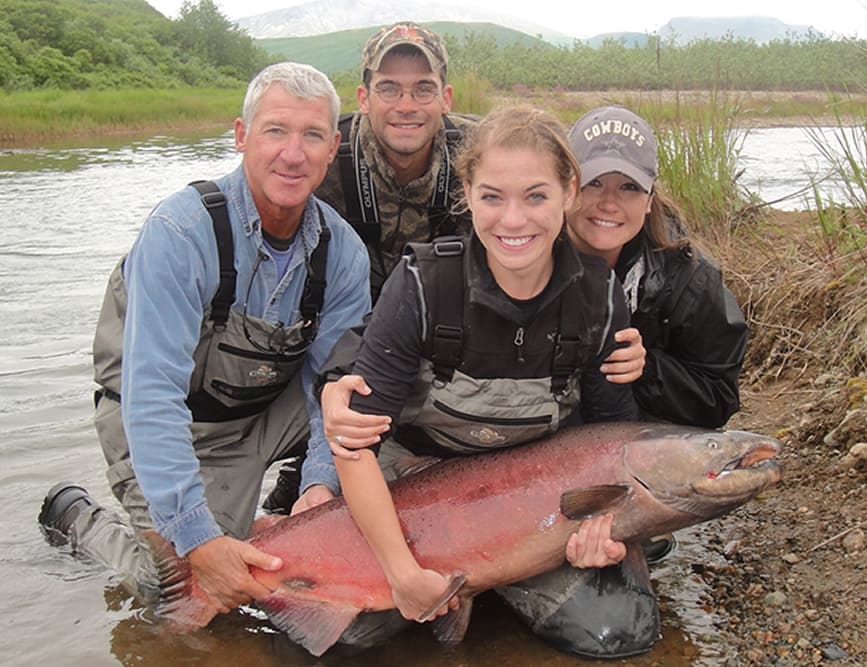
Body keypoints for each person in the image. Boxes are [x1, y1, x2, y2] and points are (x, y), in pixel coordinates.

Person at [319, 105, 660, 658]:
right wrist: (402, 574)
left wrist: (605, 531)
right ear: (468, 194)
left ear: (569, 193)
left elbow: (610, 443)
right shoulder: (422, 283)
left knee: (621, 631)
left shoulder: (599, 296)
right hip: (411, 488)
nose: (513, 220)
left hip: (531, 503)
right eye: (493, 197)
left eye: (536, 196)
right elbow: (356, 447)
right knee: (346, 639)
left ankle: (497, 584)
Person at [37, 62, 371, 614]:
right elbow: (152, 395)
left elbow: (331, 390)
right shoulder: (180, 232)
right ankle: (79, 518)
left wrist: (322, 487)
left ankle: (276, 509)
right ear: (241, 136)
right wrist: (197, 538)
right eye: (275, 130)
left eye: (312, 135)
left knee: (383, 409)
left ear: (332, 147)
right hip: (157, 418)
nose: (293, 154)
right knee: (186, 597)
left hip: (262, 413)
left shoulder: (344, 252)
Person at [263, 20, 478, 513]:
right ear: (363, 98)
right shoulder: (321, 153)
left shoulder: (481, 152)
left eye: (422, 89)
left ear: (445, 98)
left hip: (449, 338)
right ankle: (305, 467)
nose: (406, 105)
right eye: (389, 89)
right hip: (339, 340)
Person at [565, 105, 748, 430]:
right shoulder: (523, 255)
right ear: (566, 188)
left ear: (650, 198)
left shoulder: (690, 278)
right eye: (594, 183)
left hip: (636, 442)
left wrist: (646, 368)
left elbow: (719, 398)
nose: (609, 203)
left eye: (629, 187)